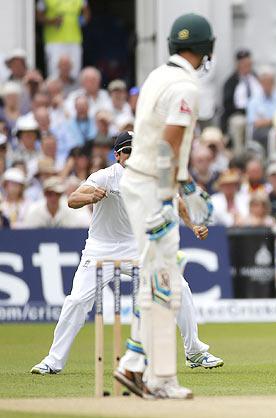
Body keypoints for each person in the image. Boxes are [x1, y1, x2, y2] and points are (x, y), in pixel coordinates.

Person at [29, 132, 223, 377]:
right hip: (101, 248)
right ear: (117, 155)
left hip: (136, 247)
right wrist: (91, 195)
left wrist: (193, 225)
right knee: (77, 300)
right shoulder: (105, 176)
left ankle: (194, 351)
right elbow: (72, 199)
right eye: (127, 151)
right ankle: (53, 360)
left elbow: (177, 202)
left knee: (178, 287)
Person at [117, 13, 216, 400]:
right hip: (151, 187)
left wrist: (184, 184)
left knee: (161, 279)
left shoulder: (158, 75)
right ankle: (144, 370)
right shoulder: (185, 87)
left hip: (144, 182)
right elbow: (166, 146)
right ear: (207, 49)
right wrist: (170, 195)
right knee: (163, 280)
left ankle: (143, 368)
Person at [36, 0, 90, 78]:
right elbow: (38, 16)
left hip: (74, 40)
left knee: (75, 73)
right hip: (54, 42)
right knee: (54, 74)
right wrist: (51, 21)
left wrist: (83, 20)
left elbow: (86, 11)